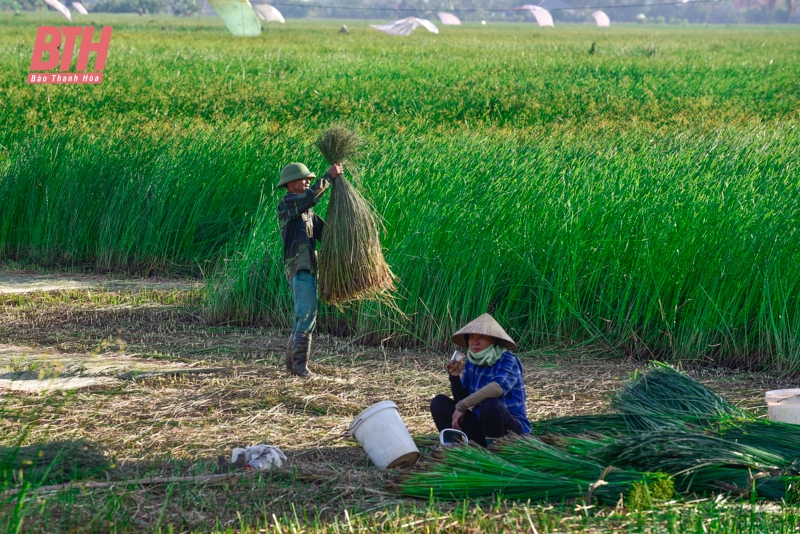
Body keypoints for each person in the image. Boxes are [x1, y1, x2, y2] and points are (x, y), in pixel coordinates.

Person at [277, 161, 343, 376]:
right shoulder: (288, 204)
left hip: (309, 268)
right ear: (289, 184)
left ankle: (292, 367)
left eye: (309, 179)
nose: (307, 182)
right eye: (303, 179)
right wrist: (329, 177)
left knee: (302, 316)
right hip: (299, 268)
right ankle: (300, 367)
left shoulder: (307, 213)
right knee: (306, 316)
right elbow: (310, 197)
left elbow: (327, 234)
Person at [430, 313, 530, 447]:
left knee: (489, 404)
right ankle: (454, 447)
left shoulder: (507, 359)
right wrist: (454, 378)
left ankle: (495, 452)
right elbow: (463, 397)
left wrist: (461, 406)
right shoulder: (472, 361)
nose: (475, 342)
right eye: (471, 337)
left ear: (493, 341)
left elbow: (497, 388)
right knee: (439, 402)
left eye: (482, 337)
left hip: (511, 431)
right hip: (482, 425)